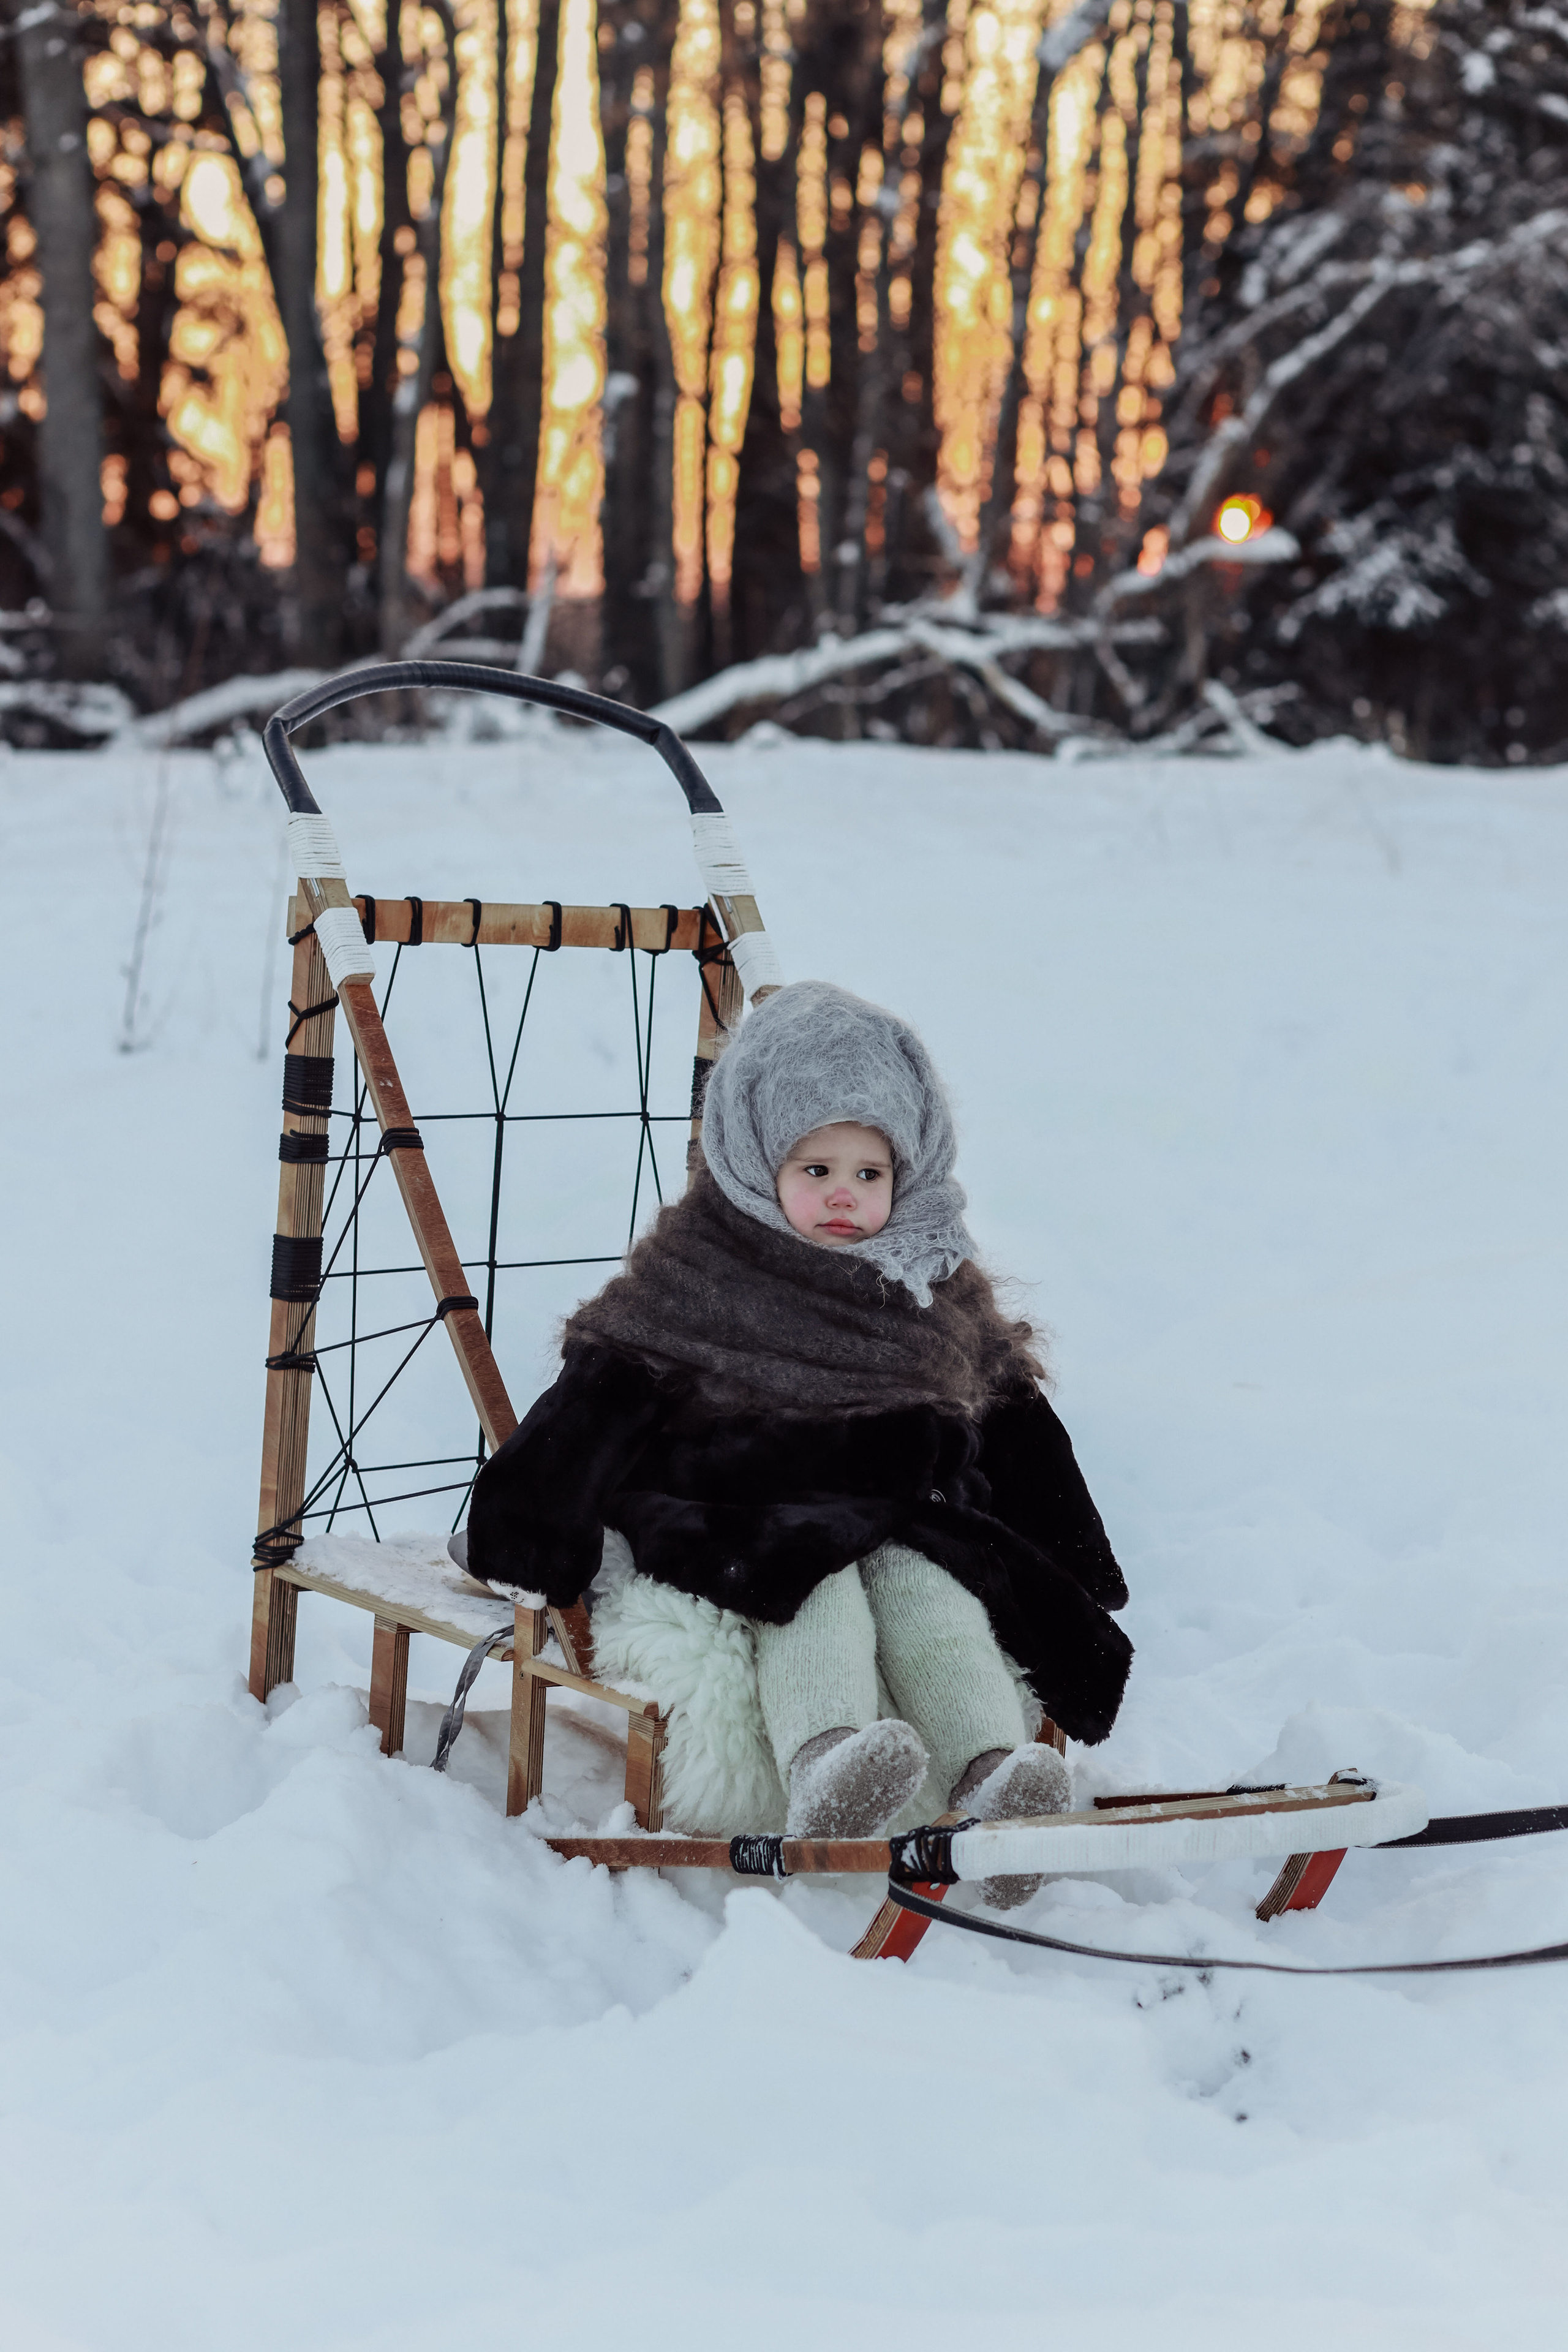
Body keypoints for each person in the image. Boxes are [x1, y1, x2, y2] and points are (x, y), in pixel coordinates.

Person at [464, 980, 1131, 1904]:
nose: (846, 1198)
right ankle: (828, 1761)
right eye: (816, 1171)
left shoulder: (929, 1274)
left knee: (932, 1602)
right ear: (758, 1162)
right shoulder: (701, 1268)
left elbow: (1008, 1409)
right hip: (744, 1510)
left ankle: (993, 1779)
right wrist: (527, 1527)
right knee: (808, 1594)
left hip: (897, 1513)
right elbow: (602, 1391)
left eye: (870, 1173)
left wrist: (1073, 1554)